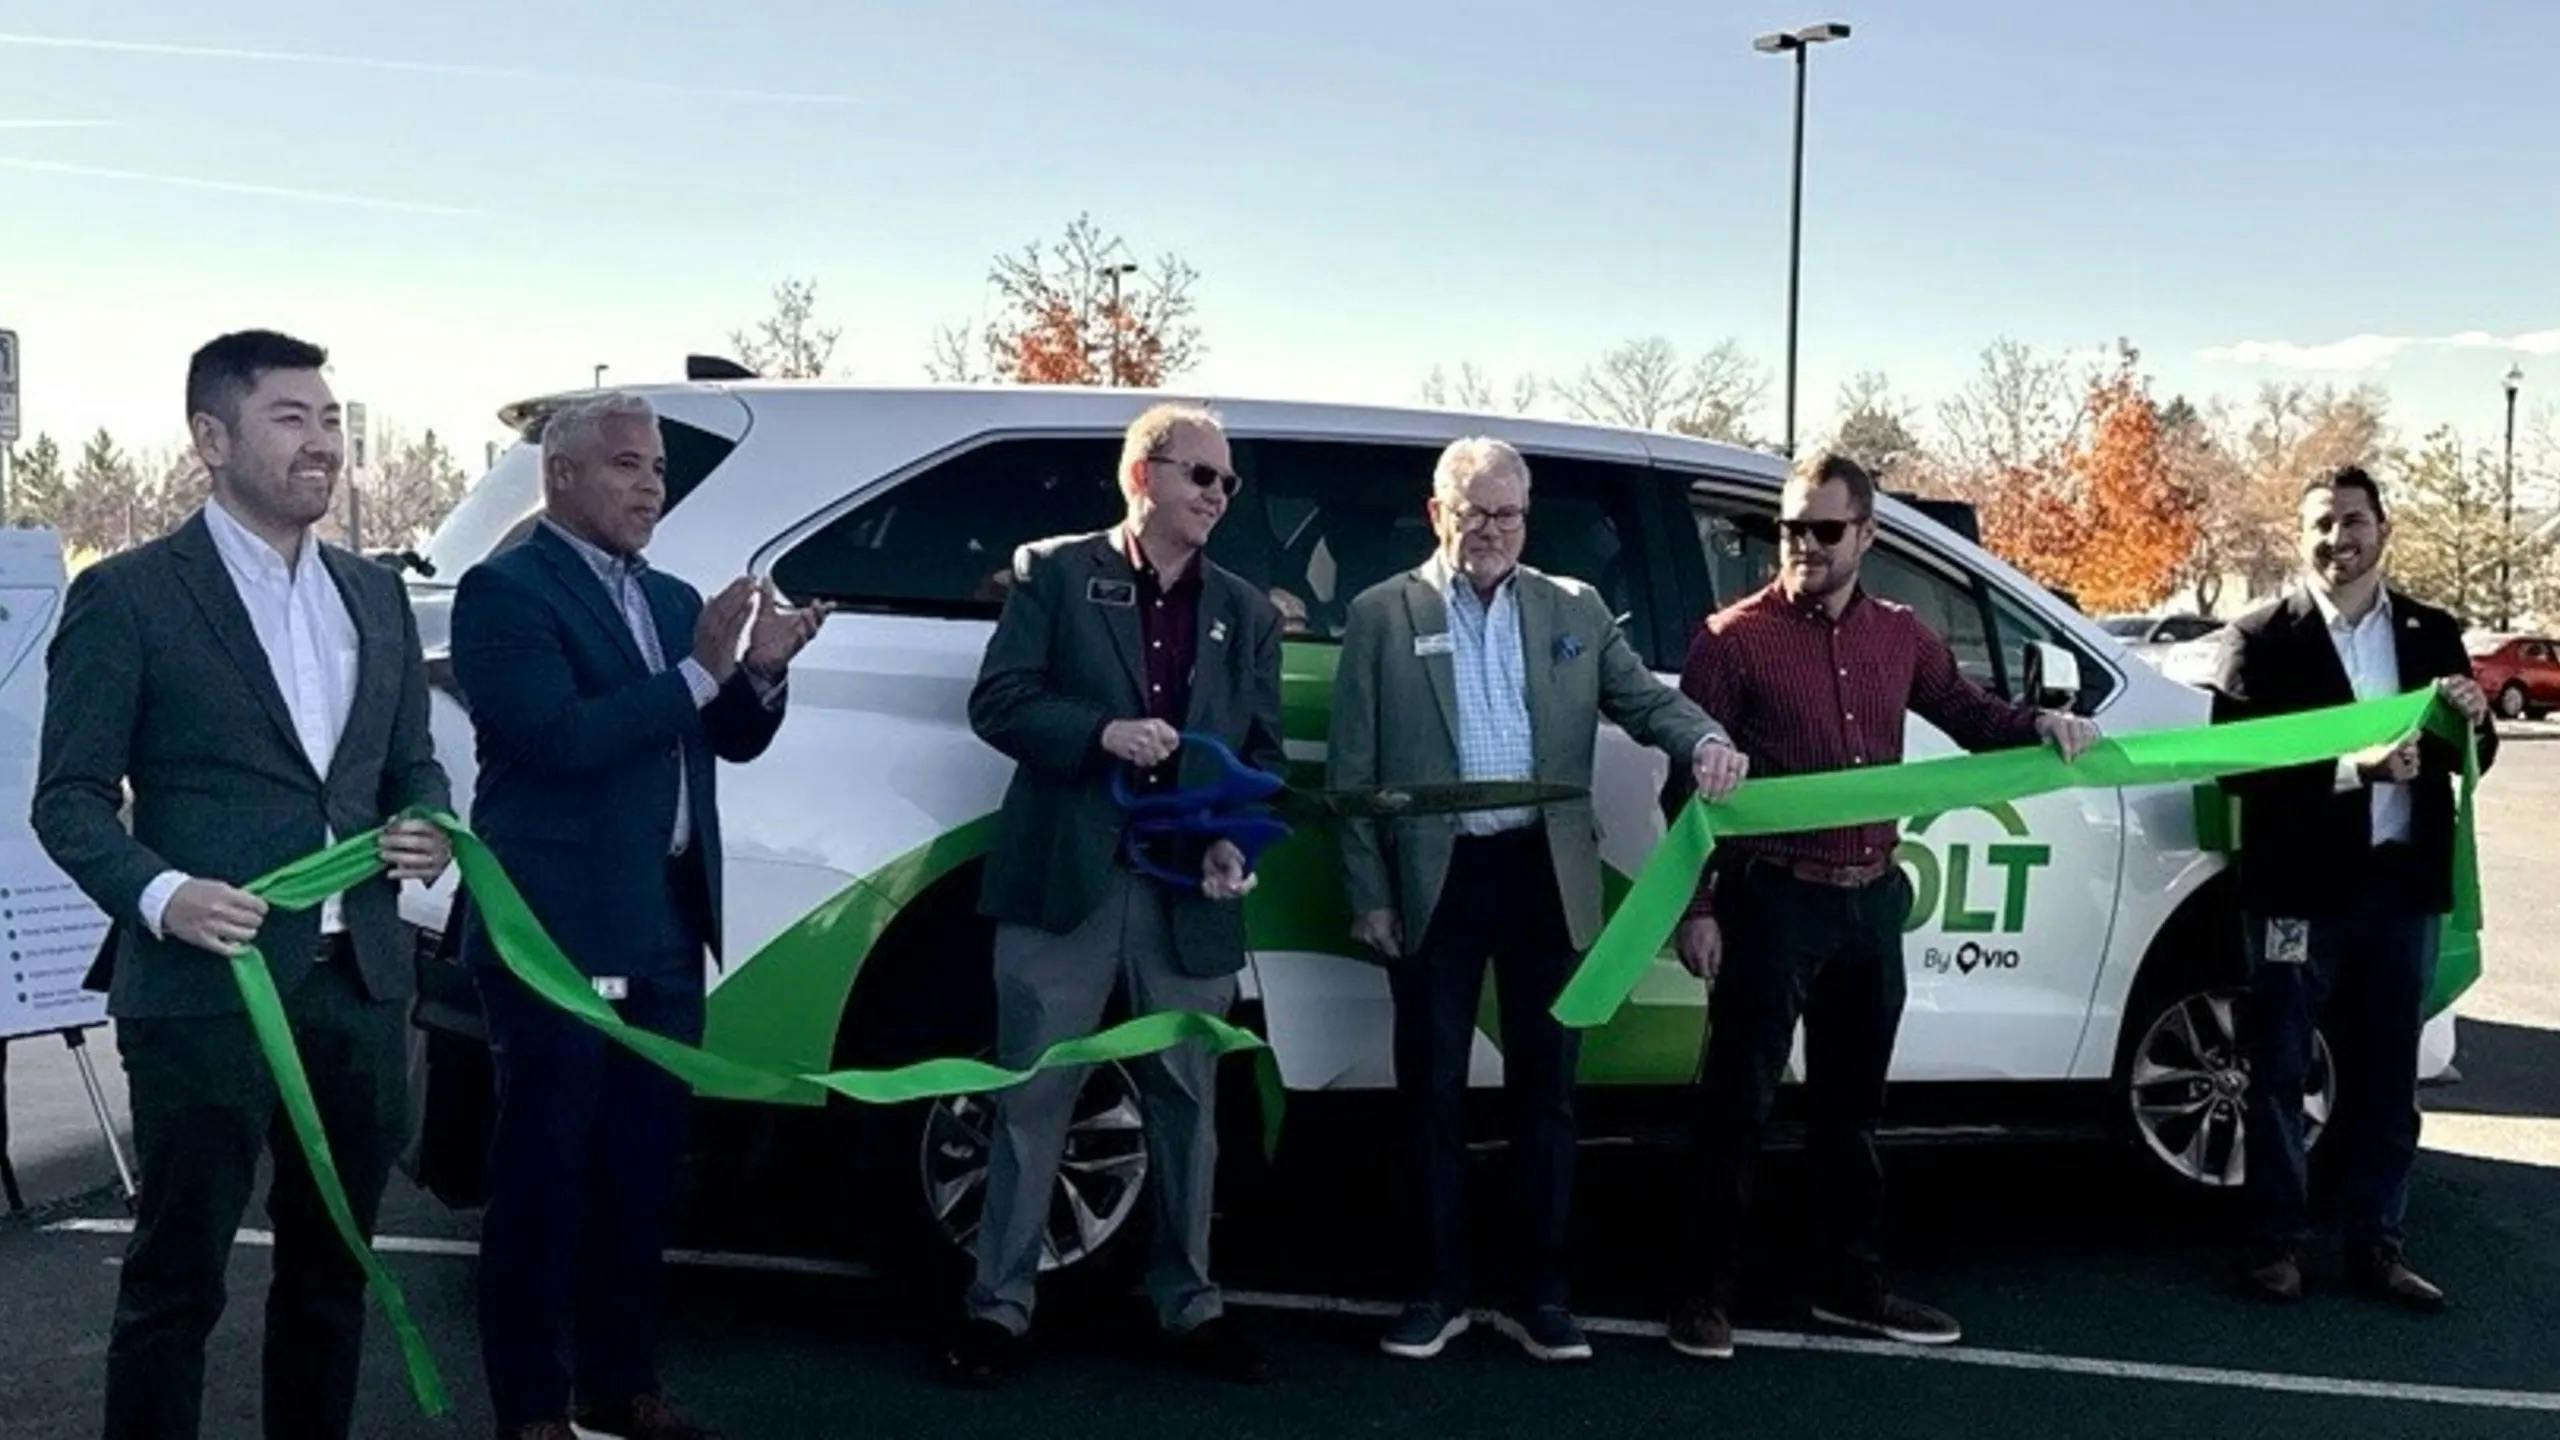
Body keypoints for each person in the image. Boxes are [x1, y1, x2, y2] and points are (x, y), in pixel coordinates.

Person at [33, 329, 453, 1440]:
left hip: (360, 988)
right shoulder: (129, 597)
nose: (321, 444)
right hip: (203, 997)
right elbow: (67, 800)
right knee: (178, 1286)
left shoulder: (373, 597)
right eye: (289, 419)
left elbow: (412, 764)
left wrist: (428, 824)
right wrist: (164, 892)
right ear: (210, 440)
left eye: (328, 421)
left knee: (333, 1278)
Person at [450, 391, 827, 1440]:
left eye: (658, 466)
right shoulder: (504, 592)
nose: (650, 483)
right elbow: (558, 740)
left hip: (664, 930)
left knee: (642, 1173)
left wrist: (756, 675)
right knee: (545, 1175)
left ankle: (620, 1389)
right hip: (559, 939)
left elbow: (726, 741)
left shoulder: (671, 600)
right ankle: (529, 1408)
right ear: (561, 475)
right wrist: (702, 670)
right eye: (626, 464)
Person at [1669, 453, 2100, 1361]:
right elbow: (1688, 791)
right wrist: (1697, 909)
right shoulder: (1732, 639)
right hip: (1773, 901)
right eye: (1791, 529)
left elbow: (1968, 711)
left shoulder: (1900, 635)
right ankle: (1703, 1293)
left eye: (1826, 530)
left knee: (1853, 1114)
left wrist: (2042, 726)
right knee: (1736, 1107)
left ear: (1867, 534)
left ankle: (1849, 1284)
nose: (1805, 547)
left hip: (1871, 904)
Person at [1327, 437, 1746, 1363]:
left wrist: (1705, 738)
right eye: (1472, 513)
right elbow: (1352, 775)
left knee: (1548, 1097)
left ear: (1527, 517)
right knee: (1430, 1096)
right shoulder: (1381, 615)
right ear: (1437, 512)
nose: (1490, 532)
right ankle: (1435, 1291)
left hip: (1544, 875)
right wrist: (1370, 894)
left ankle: (1541, 1294)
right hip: (1432, 880)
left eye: (1507, 515)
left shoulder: (1574, 608)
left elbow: (1645, 703)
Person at [940, 403, 1284, 1388]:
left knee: (1188, 1106)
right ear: (1144, 476)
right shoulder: (1053, 573)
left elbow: (1256, 758)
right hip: (1066, 880)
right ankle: (999, 1308)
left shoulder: (1246, 612)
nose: (1219, 495)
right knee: (1031, 1097)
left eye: (1227, 483)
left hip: (1188, 893)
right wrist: (1102, 733)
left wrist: (1229, 840)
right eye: (1202, 477)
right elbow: (998, 701)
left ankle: (1189, 1305)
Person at [2209, 464, 2493, 1310]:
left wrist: (2475, 720)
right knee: (2280, 1072)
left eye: (2354, 521)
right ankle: (2277, 1245)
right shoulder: (2262, 637)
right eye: (2323, 525)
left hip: (2399, 892)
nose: (2340, 539)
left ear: (2384, 527)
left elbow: (2472, 757)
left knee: (2386, 1079)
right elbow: (2235, 772)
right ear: (2303, 539)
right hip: (2300, 893)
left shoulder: (2432, 632)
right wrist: (2347, 771)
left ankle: (2377, 1243)